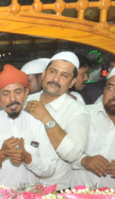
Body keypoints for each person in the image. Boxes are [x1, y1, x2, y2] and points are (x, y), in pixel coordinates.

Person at [0, 65, 57, 187]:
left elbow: (51, 168)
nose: (12, 99)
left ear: (26, 93)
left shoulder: (37, 124)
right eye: (6, 94)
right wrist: (0, 155)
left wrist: (27, 158)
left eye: (18, 92)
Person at [25, 51, 90, 190]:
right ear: (43, 74)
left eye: (64, 75)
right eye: (53, 72)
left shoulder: (77, 110)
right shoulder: (25, 101)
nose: (55, 79)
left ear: (72, 82)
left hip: (56, 191)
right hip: (21, 186)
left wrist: (46, 118)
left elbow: (73, 154)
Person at [72, 65, 115, 189]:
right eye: (111, 88)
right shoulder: (83, 113)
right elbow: (60, 151)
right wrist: (84, 160)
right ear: (104, 90)